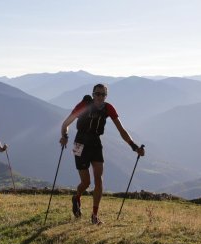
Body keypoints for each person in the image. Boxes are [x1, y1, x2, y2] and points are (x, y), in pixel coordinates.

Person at [60, 83, 145, 225]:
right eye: (97, 94)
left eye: (102, 94)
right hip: (79, 143)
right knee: (86, 183)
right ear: (93, 94)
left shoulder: (108, 108)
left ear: (106, 96)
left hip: (95, 143)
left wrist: (134, 147)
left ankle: (94, 216)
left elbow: (121, 130)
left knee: (98, 179)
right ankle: (76, 197)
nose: (99, 97)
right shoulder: (84, 105)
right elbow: (65, 124)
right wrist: (65, 136)